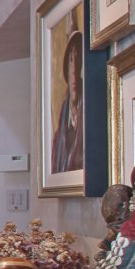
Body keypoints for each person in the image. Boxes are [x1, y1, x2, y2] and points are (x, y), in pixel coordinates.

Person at [51, 30, 84, 174]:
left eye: (78, 59)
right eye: (71, 61)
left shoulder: (89, 122)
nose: (74, 70)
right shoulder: (59, 136)